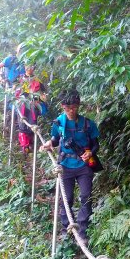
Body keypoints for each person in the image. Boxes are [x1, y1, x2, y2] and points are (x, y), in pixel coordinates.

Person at [40, 89, 100, 243]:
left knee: (86, 196)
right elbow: (55, 139)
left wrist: (90, 153)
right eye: (68, 108)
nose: (72, 111)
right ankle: (67, 229)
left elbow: (95, 144)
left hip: (84, 165)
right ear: (63, 107)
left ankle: (82, 230)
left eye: (74, 107)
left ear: (78, 106)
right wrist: (49, 144)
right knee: (66, 198)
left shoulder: (88, 124)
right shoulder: (59, 122)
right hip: (65, 165)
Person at [15, 64, 47, 153]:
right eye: (28, 66)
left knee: (32, 123)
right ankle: (25, 145)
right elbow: (16, 92)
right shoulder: (20, 79)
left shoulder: (37, 80)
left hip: (34, 104)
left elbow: (43, 92)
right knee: (22, 124)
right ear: (24, 67)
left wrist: (42, 98)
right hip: (22, 104)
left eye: (31, 67)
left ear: (34, 68)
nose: (29, 68)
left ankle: (30, 144)